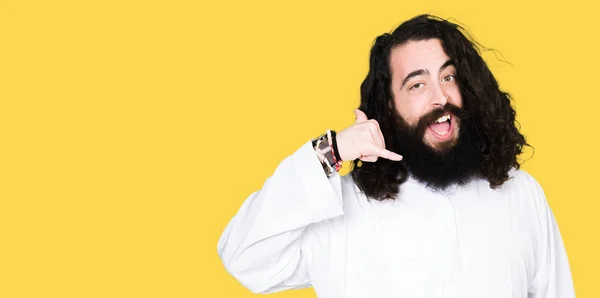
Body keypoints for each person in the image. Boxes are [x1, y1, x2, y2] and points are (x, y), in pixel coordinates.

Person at [216, 14, 575, 298]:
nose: (441, 98)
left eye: (448, 77)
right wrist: (332, 151)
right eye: (417, 84)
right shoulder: (343, 206)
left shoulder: (521, 194)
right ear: (389, 105)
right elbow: (244, 257)